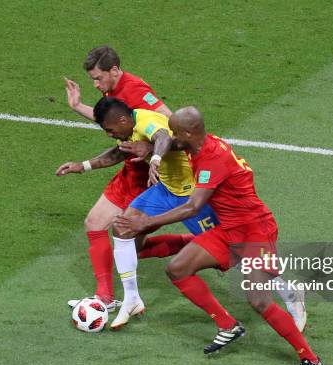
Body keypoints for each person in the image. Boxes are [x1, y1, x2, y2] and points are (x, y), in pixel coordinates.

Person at [114, 107, 323, 365]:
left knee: (259, 301)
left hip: (254, 231)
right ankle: (228, 325)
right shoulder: (198, 144)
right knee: (177, 269)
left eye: (176, 132)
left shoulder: (213, 158)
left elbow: (193, 206)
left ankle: (311, 360)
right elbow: (169, 141)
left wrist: (145, 223)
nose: (173, 137)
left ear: (189, 132)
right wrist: (150, 149)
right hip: (229, 229)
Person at [63, 97, 220, 329]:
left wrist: (154, 157)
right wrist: (83, 166)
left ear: (124, 120)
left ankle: (287, 293)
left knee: (233, 251)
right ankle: (132, 299)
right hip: (166, 191)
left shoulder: (145, 121)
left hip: (192, 194)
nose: (109, 134)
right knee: (123, 227)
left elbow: (163, 137)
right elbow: (118, 154)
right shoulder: (130, 129)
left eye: (110, 129)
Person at [59, 46, 187, 311]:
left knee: (130, 247)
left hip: (148, 179)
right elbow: (113, 124)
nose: (95, 84)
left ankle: (198, 244)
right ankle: (104, 297)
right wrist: (77, 106)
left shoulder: (136, 91)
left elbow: (174, 128)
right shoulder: (111, 90)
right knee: (95, 223)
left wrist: (153, 153)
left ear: (114, 71)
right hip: (129, 170)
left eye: (98, 78)